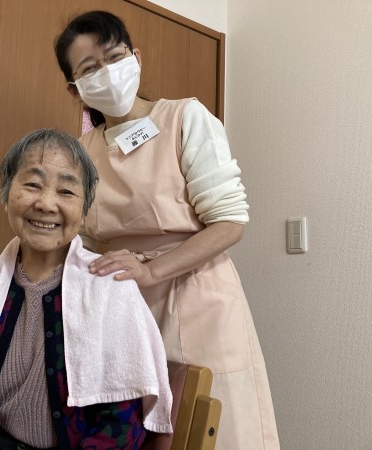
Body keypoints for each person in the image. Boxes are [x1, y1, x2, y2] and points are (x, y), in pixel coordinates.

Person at [54, 11, 280, 450]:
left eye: (114, 57)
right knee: (138, 428)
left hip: (196, 295)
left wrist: (153, 270)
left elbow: (230, 222)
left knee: (208, 425)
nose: (107, 73)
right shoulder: (83, 150)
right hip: (123, 304)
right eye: (90, 68)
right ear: (74, 89)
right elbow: (84, 238)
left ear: (136, 58)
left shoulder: (184, 117)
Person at [0, 128, 173, 449]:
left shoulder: (111, 289)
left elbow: (120, 425)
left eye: (66, 191)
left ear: (84, 211)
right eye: (32, 185)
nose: (46, 204)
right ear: (6, 194)